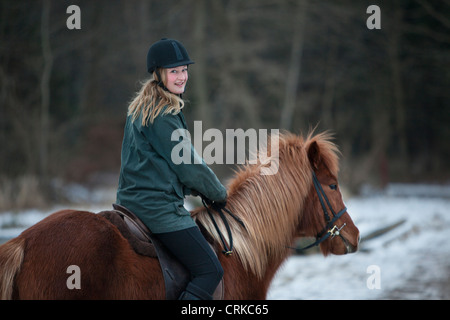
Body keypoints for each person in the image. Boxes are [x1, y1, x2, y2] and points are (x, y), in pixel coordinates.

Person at [116, 38, 227, 300]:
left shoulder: (143, 107)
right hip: (157, 209)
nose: (182, 77)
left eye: (184, 69)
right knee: (210, 270)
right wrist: (218, 193)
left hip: (131, 202)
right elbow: (188, 165)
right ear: (159, 74)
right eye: (174, 71)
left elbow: (157, 163)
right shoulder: (164, 111)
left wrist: (195, 189)